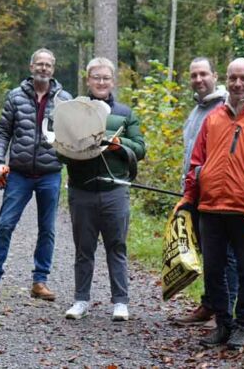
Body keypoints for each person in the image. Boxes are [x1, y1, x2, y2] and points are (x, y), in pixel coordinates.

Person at [180, 58, 244, 350]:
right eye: (233, 78)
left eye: (243, 78)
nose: (237, 84)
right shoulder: (214, 117)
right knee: (214, 270)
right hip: (210, 206)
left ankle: (243, 326)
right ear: (227, 80)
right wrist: (189, 196)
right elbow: (197, 162)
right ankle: (223, 323)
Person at [0, 48, 73, 301]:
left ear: (53, 69)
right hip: (18, 173)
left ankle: (40, 281)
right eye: (39, 64)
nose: (43, 68)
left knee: (47, 229)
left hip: (50, 173)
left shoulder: (65, 100)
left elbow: (72, 138)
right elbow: (2, 132)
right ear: (31, 67)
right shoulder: (15, 97)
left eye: (47, 64)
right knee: (5, 224)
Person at [58, 58, 146, 321]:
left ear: (113, 81)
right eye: (96, 77)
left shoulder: (125, 113)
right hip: (81, 190)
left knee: (116, 246)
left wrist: (120, 143)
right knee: (83, 248)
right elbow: (60, 151)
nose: (101, 82)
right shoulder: (73, 109)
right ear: (88, 80)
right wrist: (72, 148)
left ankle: (120, 302)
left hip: (114, 190)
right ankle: (80, 300)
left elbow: (140, 149)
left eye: (106, 78)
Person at [172, 57, 239, 326]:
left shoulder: (225, 106)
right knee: (209, 255)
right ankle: (210, 304)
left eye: (203, 74)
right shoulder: (196, 110)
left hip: (219, 195)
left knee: (228, 256)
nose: (198, 79)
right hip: (195, 193)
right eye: (193, 75)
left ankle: (227, 312)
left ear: (215, 75)